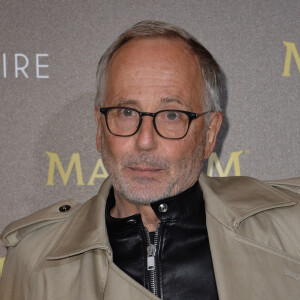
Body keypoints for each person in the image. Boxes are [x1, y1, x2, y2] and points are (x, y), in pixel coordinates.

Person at [0, 20, 299, 300]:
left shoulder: (290, 233)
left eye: (171, 115)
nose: (145, 141)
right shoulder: (33, 260)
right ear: (100, 129)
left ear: (209, 134)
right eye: (127, 112)